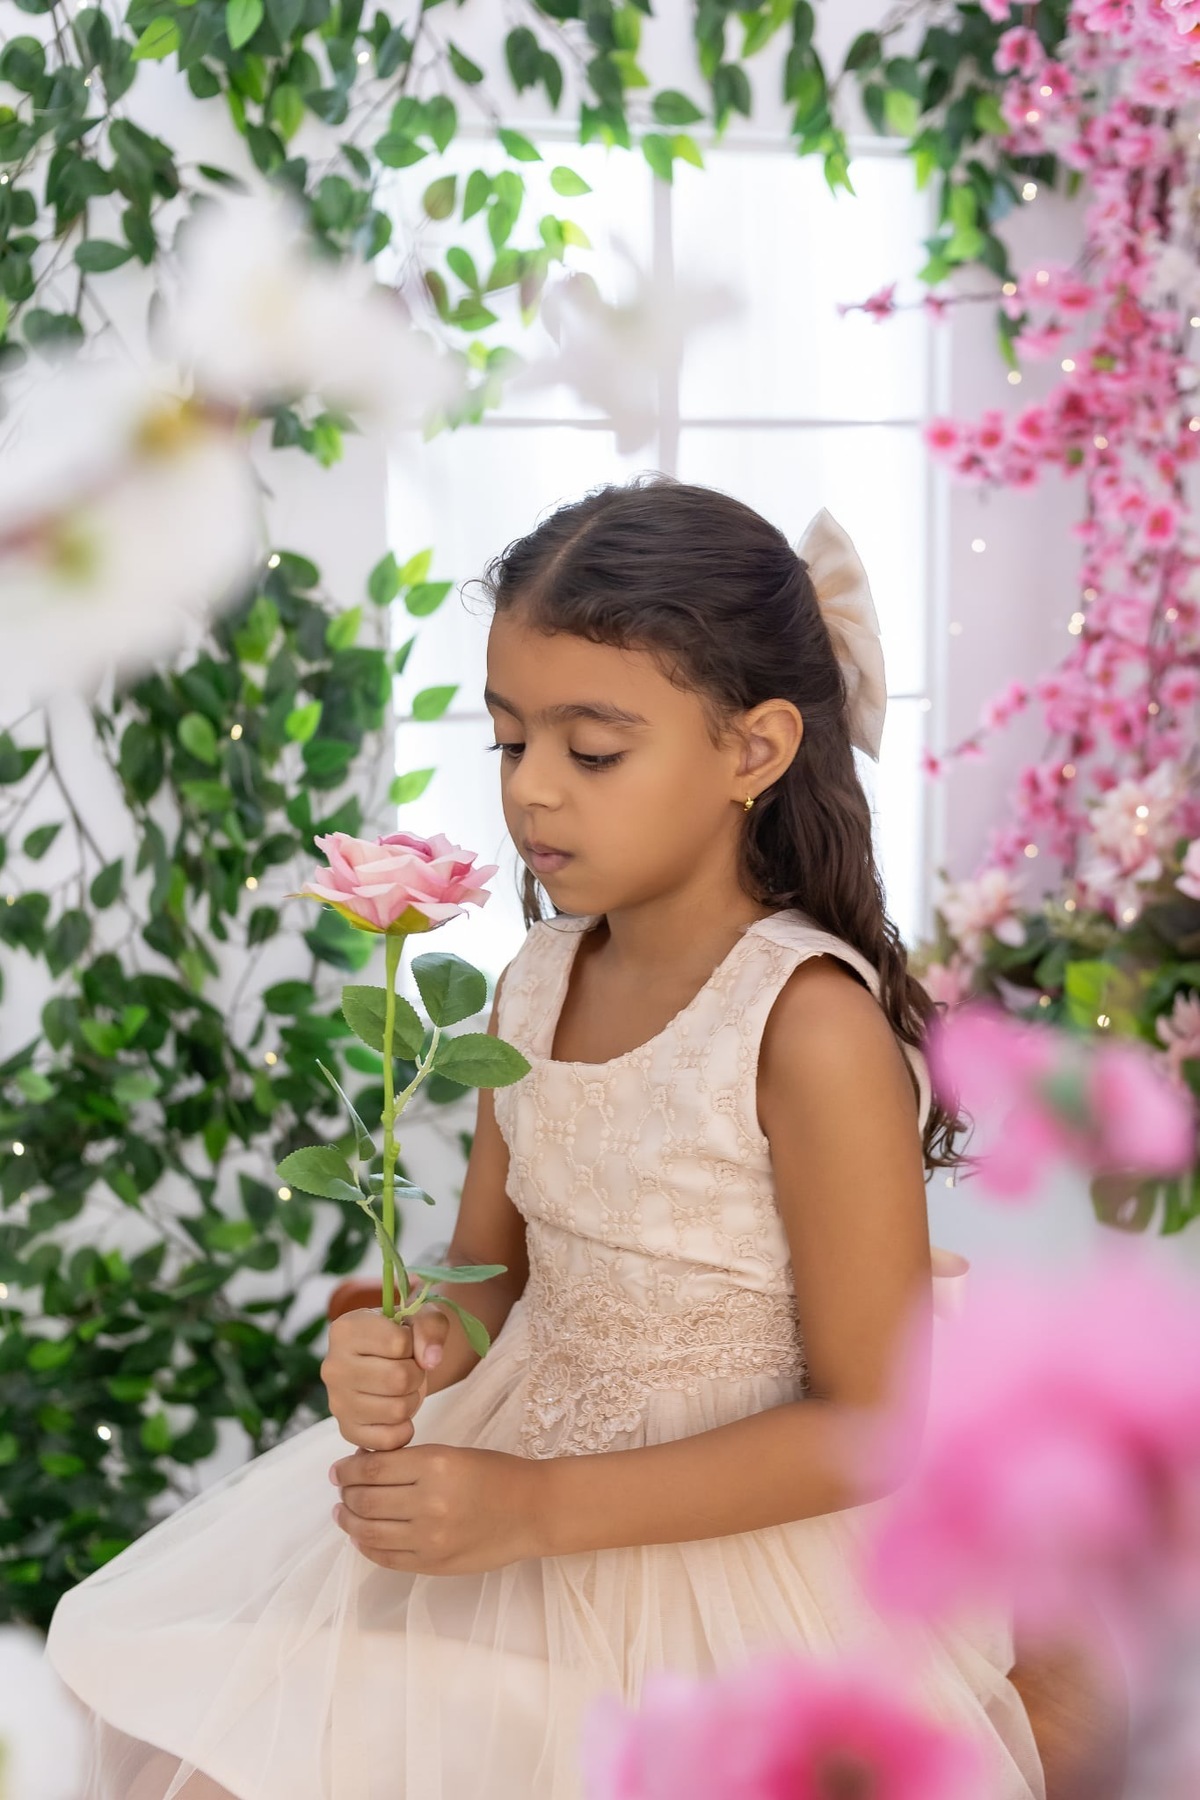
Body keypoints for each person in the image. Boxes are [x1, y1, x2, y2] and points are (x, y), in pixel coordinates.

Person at [43, 474, 1117, 1799]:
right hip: (508, 1481)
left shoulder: (807, 1024)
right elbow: (490, 1270)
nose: (533, 794)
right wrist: (420, 1344)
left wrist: (536, 1510)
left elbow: (870, 1426)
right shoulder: (534, 982)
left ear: (753, 749)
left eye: (591, 749)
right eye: (509, 742)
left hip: (727, 1564)